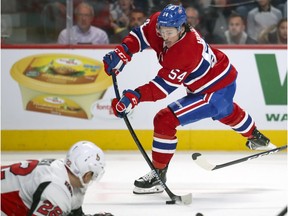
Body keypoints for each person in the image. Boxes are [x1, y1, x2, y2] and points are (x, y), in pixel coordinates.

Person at [102, 4, 276, 194]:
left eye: (169, 32)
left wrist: (134, 97)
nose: (164, 36)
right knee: (226, 111)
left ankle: (158, 174)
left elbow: (161, 88)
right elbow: (140, 36)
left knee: (165, 120)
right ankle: (256, 136)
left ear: (182, 28)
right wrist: (123, 51)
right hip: (219, 78)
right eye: (161, 30)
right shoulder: (159, 23)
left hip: (214, 90)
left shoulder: (186, 50)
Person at [1, 141, 113, 216]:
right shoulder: (57, 189)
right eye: (92, 174)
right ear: (86, 174)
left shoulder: (64, 172)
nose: (92, 178)